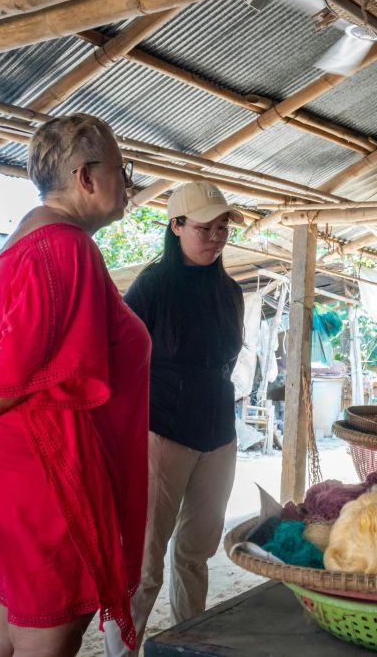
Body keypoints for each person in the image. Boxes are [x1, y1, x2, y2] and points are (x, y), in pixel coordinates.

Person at [0, 113, 150, 656]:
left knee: (2, 624)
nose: (127, 182)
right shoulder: (66, 246)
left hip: (7, 466)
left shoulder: (20, 245)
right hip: (41, 467)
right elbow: (16, 364)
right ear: (85, 177)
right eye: (122, 169)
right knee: (50, 628)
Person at [105, 181, 244, 655]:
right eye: (204, 228)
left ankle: (189, 647)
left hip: (219, 436)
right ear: (176, 226)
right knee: (143, 566)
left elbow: (226, 361)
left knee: (195, 555)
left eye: (222, 228)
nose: (215, 237)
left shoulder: (231, 291)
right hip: (160, 433)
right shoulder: (152, 286)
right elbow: (118, 358)